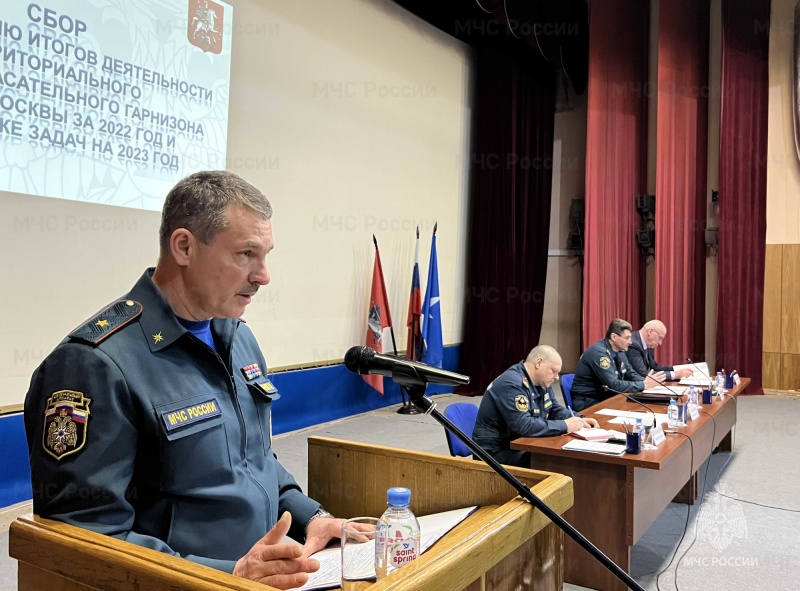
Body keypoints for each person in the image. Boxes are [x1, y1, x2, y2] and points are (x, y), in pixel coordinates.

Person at [24, 171, 341, 590]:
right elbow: (83, 539)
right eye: (246, 254)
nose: (263, 275)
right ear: (184, 246)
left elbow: (254, 462)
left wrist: (311, 517)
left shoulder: (237, 338)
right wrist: (229, 576)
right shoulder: (94, 365)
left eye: (266, 255)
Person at [472, 345, 599, 468]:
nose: (556, 377)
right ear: (539, 363)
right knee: (553, 461)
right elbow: (524, 426)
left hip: (517, 443)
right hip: (494, 453)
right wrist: (565, 425)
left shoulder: (540, 382)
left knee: (560, 456)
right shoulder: (512, 384)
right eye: (554, 371)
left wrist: (579, 419)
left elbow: (554, 409)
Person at [570, 319, 666, 412]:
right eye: (627, 338)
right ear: (614, 337)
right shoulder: (599, 353)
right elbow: (613, 385)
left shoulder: (620, 351)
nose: (630, 342)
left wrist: (648, 382)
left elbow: (630, 373)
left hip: (607, 397)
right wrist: (644, 384)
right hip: (589, 402)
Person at [626, 320, 694, 381]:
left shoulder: (647, 344)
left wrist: (678, 369)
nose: (660, 343)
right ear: (650, 332)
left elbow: (655, 367)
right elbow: (644, 374)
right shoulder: (632, 344)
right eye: (660, 338)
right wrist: (675, 375)